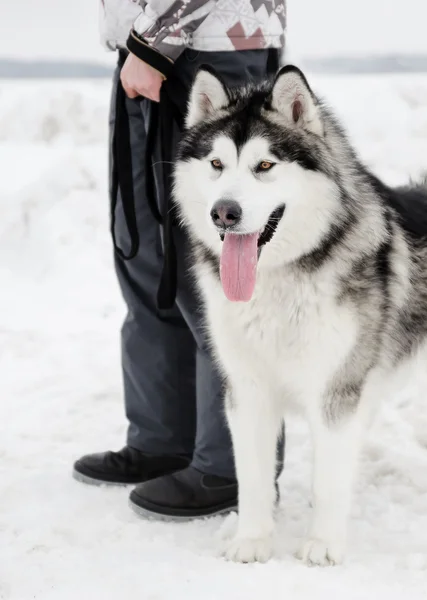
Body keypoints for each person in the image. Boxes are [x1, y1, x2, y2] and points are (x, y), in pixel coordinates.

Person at [73, 0, 287, 520]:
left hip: (205, 48)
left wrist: (154, 43)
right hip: (151, 51)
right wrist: (142, 45)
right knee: (147, 253)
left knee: (220, 270)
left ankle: (233, 467)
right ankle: (165, 437)